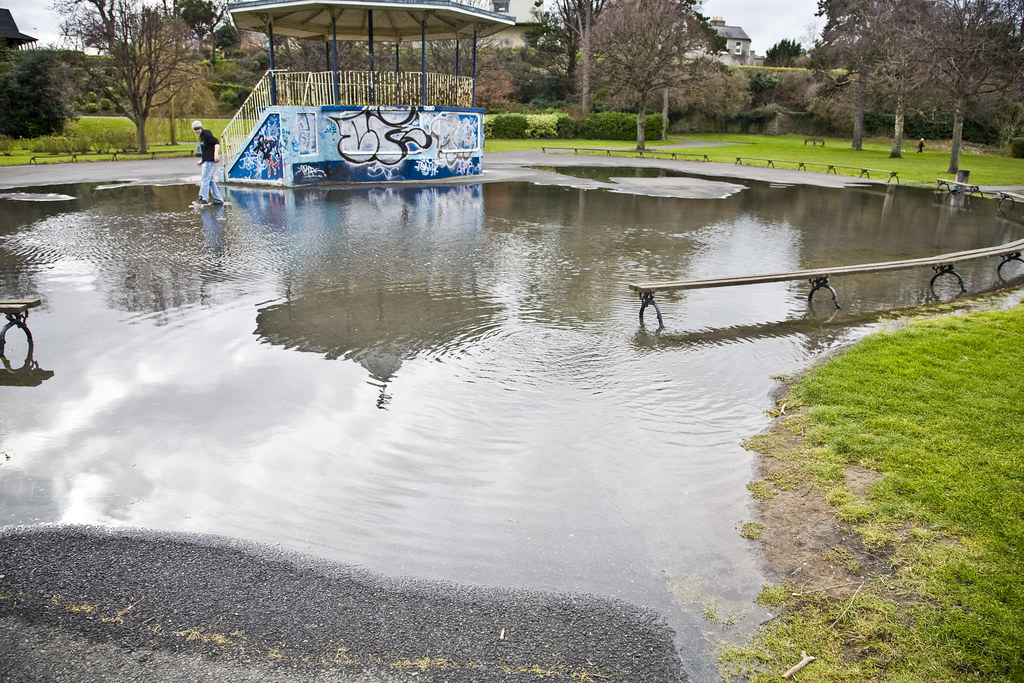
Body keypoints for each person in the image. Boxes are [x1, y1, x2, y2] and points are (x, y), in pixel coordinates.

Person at [193, 120, 224, 205]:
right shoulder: (202, 136)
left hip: (210, 161)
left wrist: (216, 154)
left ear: (201, 127)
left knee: (205, 179)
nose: (197, 131)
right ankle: (218, 199)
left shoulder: (206, 133)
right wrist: (202, 161)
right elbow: (207, 150)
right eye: (195, 129)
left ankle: (203, 198)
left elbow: (216, 143)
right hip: (207, 160)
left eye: (198, 129)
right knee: (210, 181)